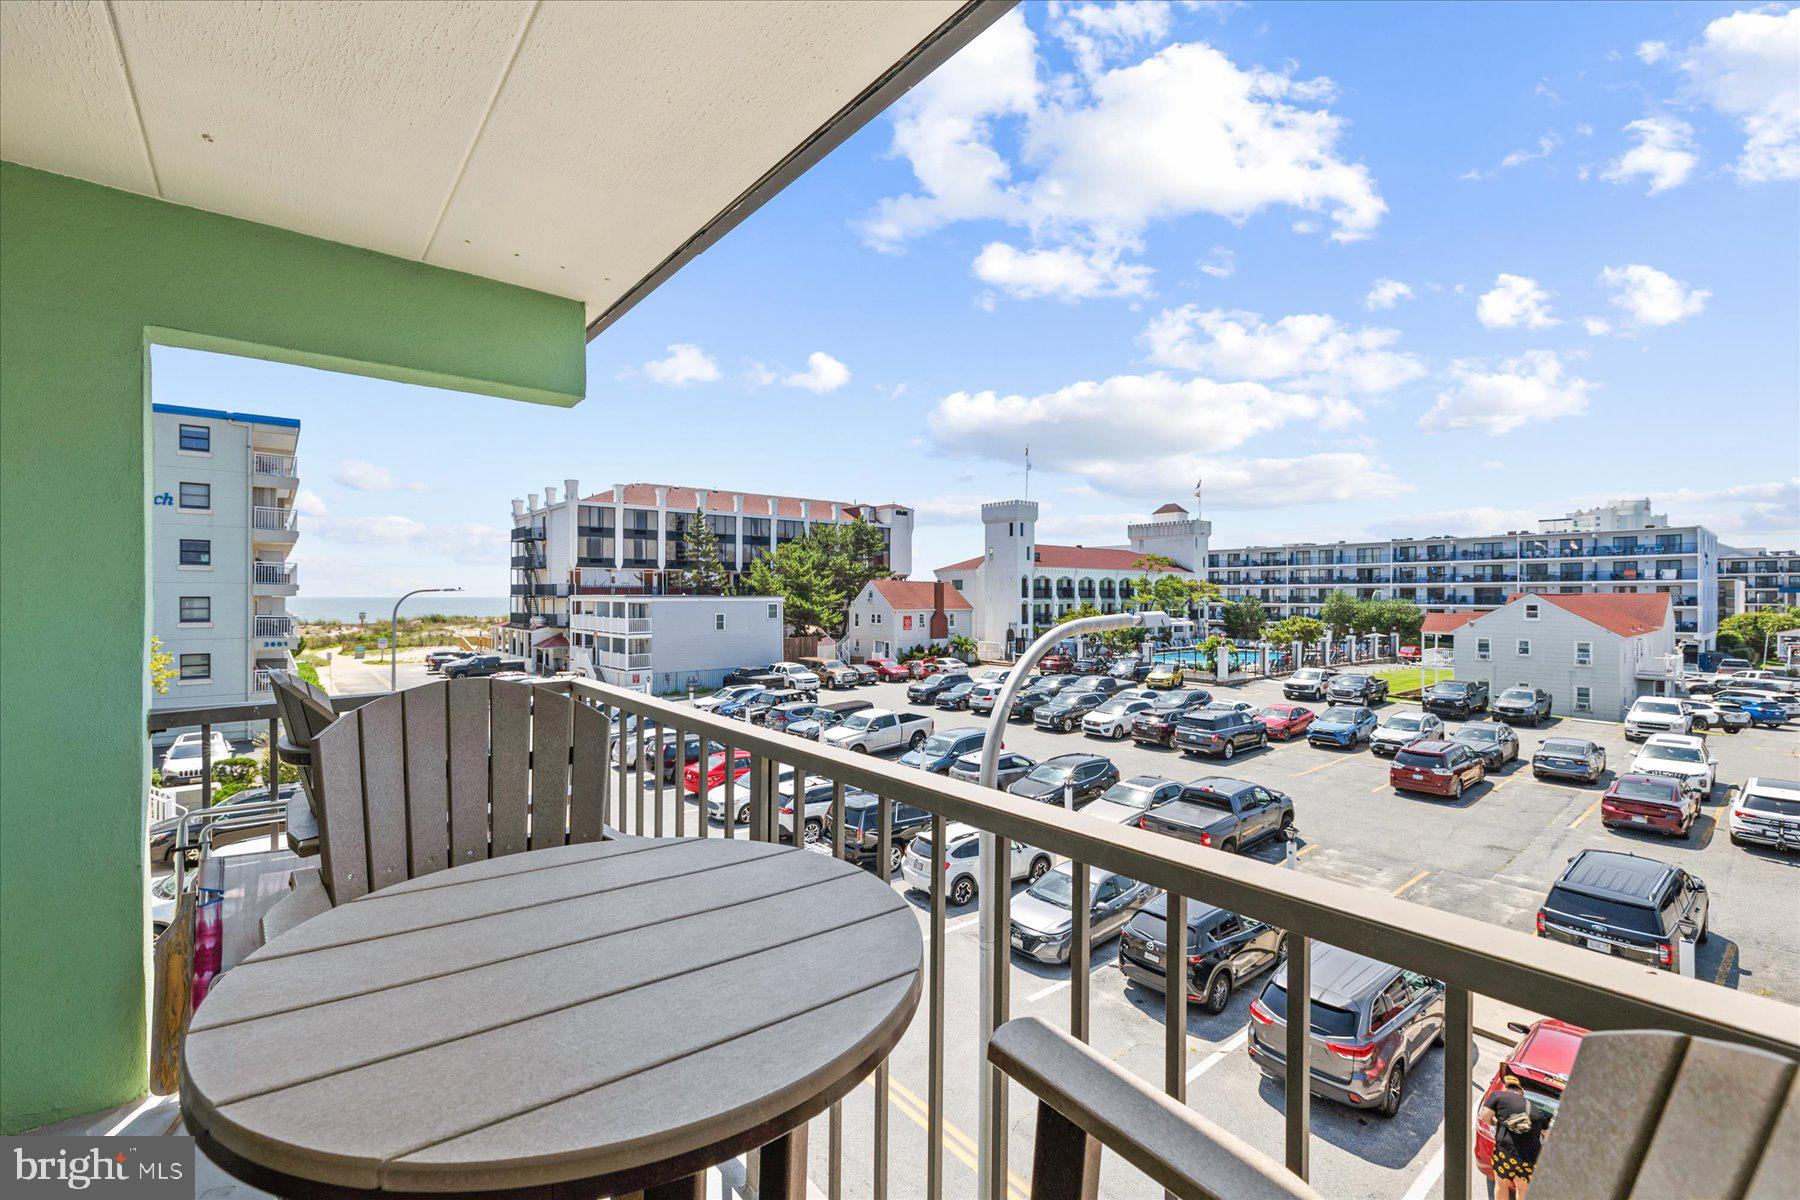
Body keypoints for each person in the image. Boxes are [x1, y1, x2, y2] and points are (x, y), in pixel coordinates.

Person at [1481, 1073, 1551, 1199]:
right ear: (1522, 1091)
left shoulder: (1499, 1096)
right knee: (1523, 1188)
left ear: (1507, 1088)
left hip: (1507, 1153)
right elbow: (1547, 1135)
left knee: (1502, 1184)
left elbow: (1485, 1116)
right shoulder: (1537, 1112)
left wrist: (1496, 1123)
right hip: (1531, 1158)